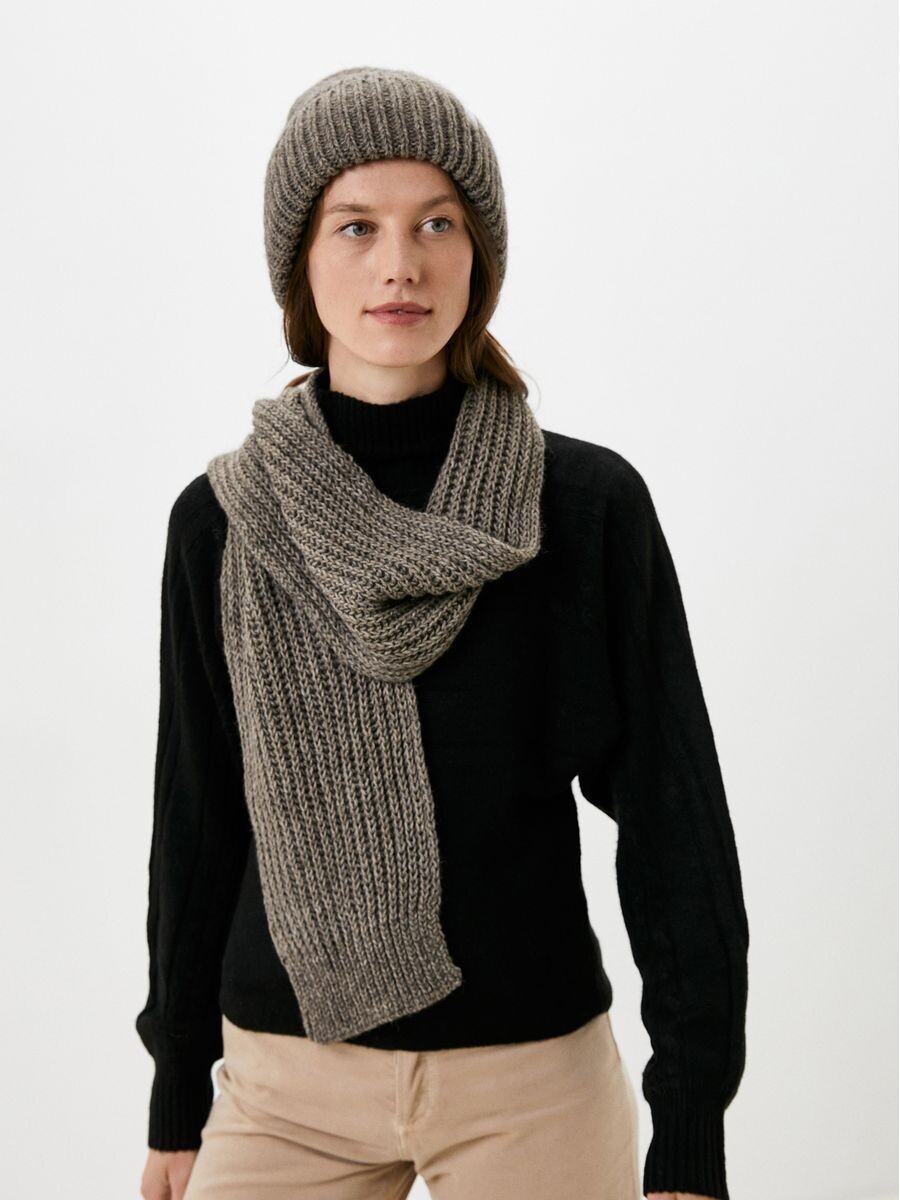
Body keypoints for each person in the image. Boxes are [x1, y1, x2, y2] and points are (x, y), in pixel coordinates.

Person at [135, 66, 749, 1200]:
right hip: (282, 1085)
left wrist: (692, 1125)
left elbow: (676, 824)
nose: (399, 264)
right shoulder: (222, 522)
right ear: (299, 260)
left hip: (533, 1083)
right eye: (356, 225)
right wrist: (177, 1094)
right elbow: (198, 818)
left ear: (479, 256)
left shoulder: (583, 507)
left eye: (437, 224)